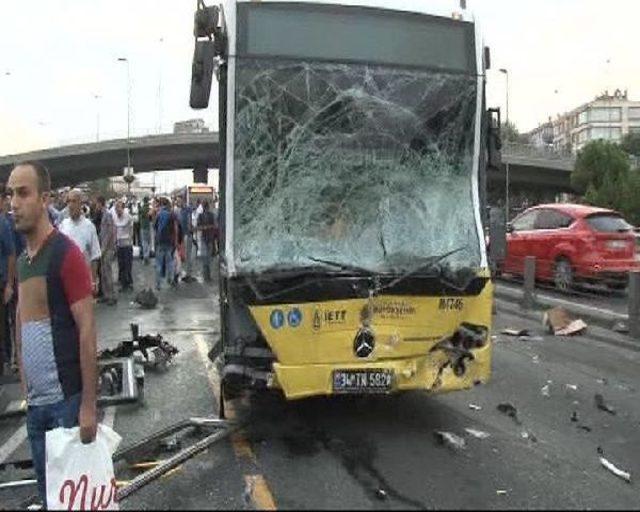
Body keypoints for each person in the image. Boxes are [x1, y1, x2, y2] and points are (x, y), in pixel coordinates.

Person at [7, 161, 97, 504]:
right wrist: (23, 378)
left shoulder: (66, 254)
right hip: (37, 409)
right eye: (10, 194)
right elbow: (22, 314)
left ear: (44, 199)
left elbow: (87, 329)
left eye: (23, 193)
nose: (14, 202)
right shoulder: (27, 258)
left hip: (66, 406)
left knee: (72, 502)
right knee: (49, 500)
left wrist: (88, 406)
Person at [59, 189, 101, 296]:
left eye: (74, 201)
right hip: (65, 281)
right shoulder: (63, 226)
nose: (70, 205)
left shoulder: (89, 226)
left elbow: (95, 255)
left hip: (83, 280)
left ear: (80, 204)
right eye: (68, 201)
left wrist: (93, 281)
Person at [0, 185, 16, 375]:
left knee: (3, 324)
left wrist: (10, 284)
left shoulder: (3, 223)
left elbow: (11, 254)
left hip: (2, 280)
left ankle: (5, 361)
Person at [96, 196, 117, 306]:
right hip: (103, 247)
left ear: (101, 203)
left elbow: (109, 232)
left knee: (107, 272)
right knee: (103, 273)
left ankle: (111, 296)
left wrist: (104, 248)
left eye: (97, 204)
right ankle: (105, 294)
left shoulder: (107, 214)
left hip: (107, 248)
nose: (96, 206)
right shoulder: (103, 215)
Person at [153, 197, 177, 290]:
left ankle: (158, 284)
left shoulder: (159, 214)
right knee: (169, 262)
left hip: (160, 242)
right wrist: (175, 241)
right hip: (169, 242)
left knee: (159, 263)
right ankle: (170, 279)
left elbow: (154, 227)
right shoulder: (172, 214)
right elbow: (175, 229)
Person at [114, 200, 134, 291]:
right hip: (119, 244)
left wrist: (129, 239)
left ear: (122, 208)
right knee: (121, 265)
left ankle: (128, 282)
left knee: (127, 264)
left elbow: (129, 228)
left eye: (118, 208)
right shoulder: (115, 217)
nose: (117, 211)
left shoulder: (128, 217)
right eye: (115, 209)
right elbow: (115, 229)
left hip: (127, 244)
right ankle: (123, 283)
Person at [197, 200, 216, 282]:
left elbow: (214, 225)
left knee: (207, 258)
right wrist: (206, 227)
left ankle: (207, 275)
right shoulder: (202, 216)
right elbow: (199, 226)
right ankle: (206, 275)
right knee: (206, 258)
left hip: (207, 238)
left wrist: (206, 227)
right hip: (207, 238)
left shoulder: (208, 215)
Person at [139, 196, 151, 264]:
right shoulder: (149, 208)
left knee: (144, 242)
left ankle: (145, 256)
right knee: (148, 242)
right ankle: (147, 256)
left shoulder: (142, 208)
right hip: (148, 226)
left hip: (142, 226)